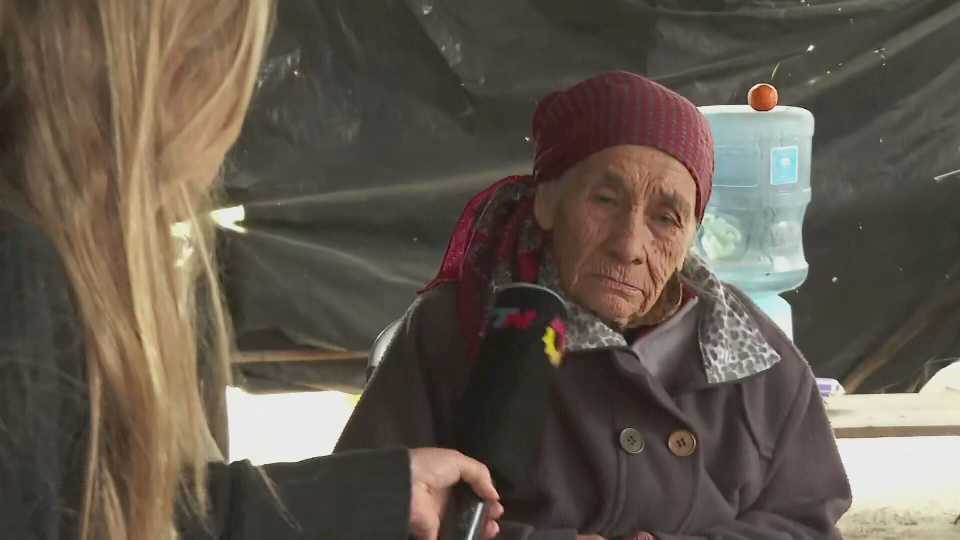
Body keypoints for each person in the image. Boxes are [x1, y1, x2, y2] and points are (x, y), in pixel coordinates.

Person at [0, 1, 502, 539]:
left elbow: (139, 509)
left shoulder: (66, 272)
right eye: (224, 63)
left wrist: (387, 489)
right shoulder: (23, 277)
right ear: (165, 67)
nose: (231, 127)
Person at [336, 71, 853, 539]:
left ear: (693, 232)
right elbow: (357, 510)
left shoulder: (753, 357)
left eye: (666, 218)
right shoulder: (455, 330)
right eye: (604, 200)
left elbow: (806, 521)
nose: (628, 245)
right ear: (546, 200)